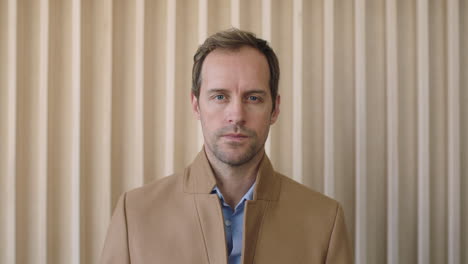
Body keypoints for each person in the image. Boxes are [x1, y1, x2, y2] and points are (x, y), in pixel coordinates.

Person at [100, 28, 352, 264]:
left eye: (253, 98)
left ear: (274, 109)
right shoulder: (134, 214)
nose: (236, 115)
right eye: (220, 96)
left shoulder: (325, 221)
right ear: (196, 104)